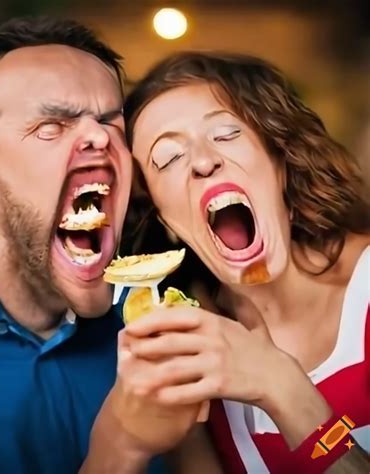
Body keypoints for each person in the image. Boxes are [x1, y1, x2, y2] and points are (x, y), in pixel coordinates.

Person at [0, 16, 165, 474]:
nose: (101, 137)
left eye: (108, 121)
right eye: (51, 127)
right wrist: (120, 450)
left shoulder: (161, 312)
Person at [85, 52, 370, 473]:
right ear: (165, 218)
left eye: (226, 133)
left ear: (280, 162)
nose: (204, 161)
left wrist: (279, 383)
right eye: (168, 158)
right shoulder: (187, 351)